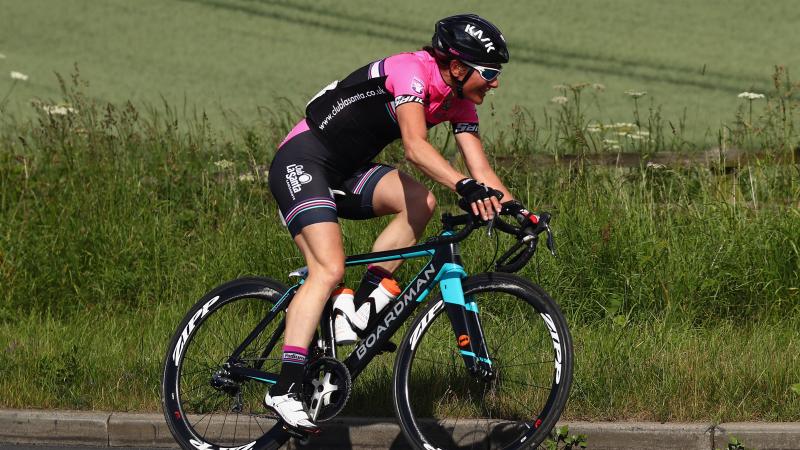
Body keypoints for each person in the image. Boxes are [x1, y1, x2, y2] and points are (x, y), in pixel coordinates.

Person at [265, 13, 535, 432]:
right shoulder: (411, 71)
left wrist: (519, 211)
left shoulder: (459, 100)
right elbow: (414, 146)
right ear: (459, 66)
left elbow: (480, 169)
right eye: (490, 72)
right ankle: (283, 388)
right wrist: (464, 186)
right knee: (329, 267)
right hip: (304, 159)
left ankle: (356, 309)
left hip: (349, 168)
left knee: (421, 202)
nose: (496, 82)